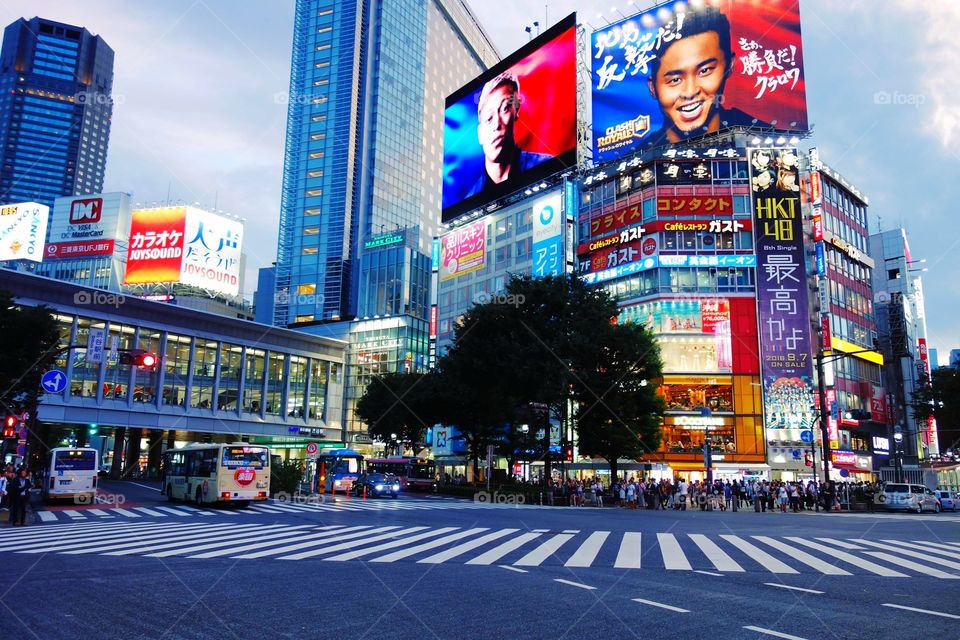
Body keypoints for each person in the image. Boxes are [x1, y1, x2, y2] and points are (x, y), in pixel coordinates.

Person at [642, 6, 772, 149]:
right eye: (675, 80)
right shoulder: (638, 160)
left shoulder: (765, 138)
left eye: (704, 71)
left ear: (729, 65)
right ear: (652, 88)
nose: (690, 92)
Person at [464, 73, 552, 199]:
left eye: (504, 109)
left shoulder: (545, 166)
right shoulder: (470, 200)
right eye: (489, 118)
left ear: (516, 110)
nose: (497, 125)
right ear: (480, 134)